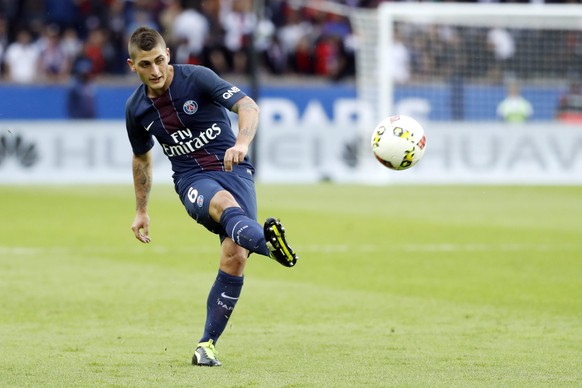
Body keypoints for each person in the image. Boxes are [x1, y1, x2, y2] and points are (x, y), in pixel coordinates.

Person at [124, 26, 298, 367]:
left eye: (159, 60)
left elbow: (248, 106)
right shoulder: (136, 109)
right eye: (146, 64)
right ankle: (271, 246)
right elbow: (142, 158)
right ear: (133, 65)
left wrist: (242, 144)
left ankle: (206, 346)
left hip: (235, 170)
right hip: (192, 178)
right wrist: (141, 210)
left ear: (169, 55)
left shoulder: (198, 78)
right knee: (222, 204)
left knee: (235, 255)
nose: (155, 71)